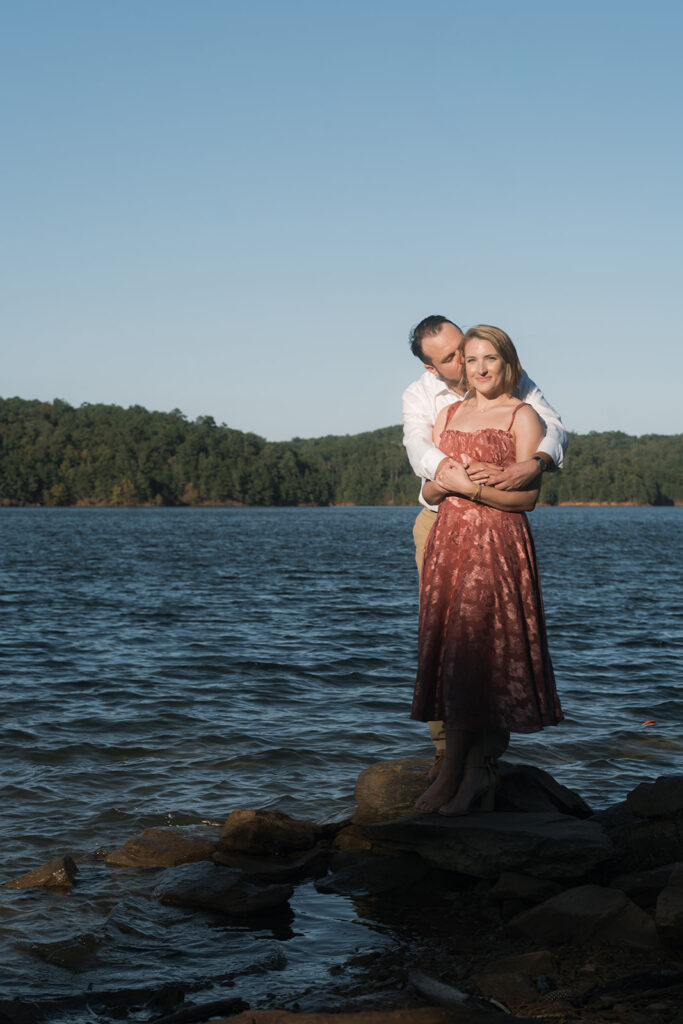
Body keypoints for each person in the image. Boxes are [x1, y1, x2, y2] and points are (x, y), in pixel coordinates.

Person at [402, 316, 567, 770]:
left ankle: (483, 762)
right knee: (446, 638)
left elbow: (553, 429)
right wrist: (447, 474)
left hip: (496, 528)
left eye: (467, 349)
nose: (466, 362)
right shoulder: (425, 398)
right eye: (455, 358)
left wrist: (532, 463)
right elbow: (420, 452)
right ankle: (446, 758)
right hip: (440, 524)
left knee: (495, 641)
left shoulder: (514, 390)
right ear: (434, 369)